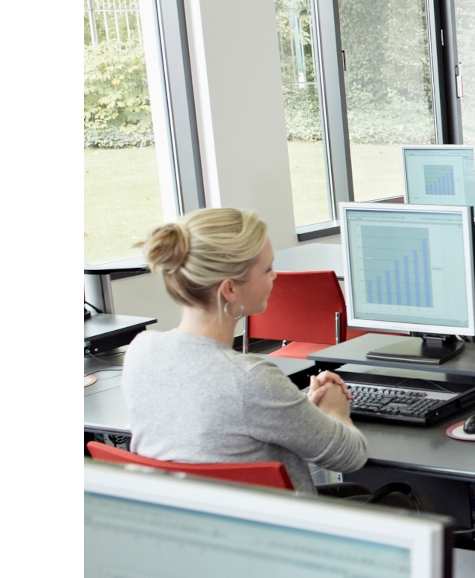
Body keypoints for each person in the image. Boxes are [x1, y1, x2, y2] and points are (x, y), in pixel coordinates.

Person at [124, 207, 367, 497]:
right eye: (266, 270)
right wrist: (336, 411)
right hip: (275, 522)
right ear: (229, 289)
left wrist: (296, 408)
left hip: (188, 517)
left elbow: (220, 425)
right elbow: (349, 456)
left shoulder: (141, 351)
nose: (274, 275)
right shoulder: (250, 378)